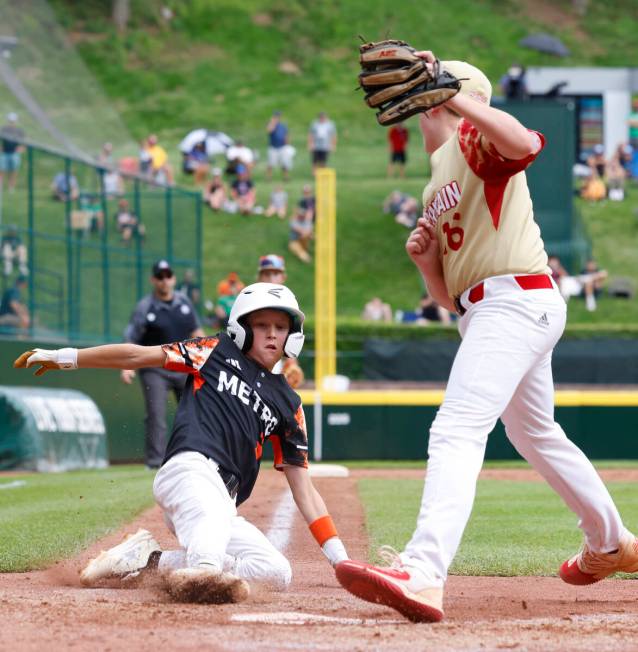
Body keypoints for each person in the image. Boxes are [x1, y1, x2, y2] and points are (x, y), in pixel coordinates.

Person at [335, 52, 638, 623]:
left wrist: (454, 99)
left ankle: (423, 574)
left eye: (428, 99)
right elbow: (452, 300)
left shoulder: (473, 139)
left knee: (456, 427)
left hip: (515, 302)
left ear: (454, 100)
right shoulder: (435, 182)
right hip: (492, 309)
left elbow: (525, 145)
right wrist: (427, 268)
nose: (416, 109)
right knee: (535, 433)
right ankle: (611, 542)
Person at [14, 283, 349, 603]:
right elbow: (136, 355)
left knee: (275, 572)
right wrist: (64, 357)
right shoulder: (215, 351)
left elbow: (305, 491)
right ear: (243, 328)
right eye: (262, 325)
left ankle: (147, 560)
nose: (273, 333)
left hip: (223, 501)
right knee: (207, 565)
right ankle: (203, 573)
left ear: (293, 336)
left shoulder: (288, 403)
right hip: (189, 471)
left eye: (280, 326)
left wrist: (340, 559)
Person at [121, 260, 204, 469]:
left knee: (193, 411)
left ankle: (195, 456)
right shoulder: (145, 307)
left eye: (168, 276)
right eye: (160, 276)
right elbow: (131, 338)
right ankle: (155, 462)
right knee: (156, 414)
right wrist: (127, 366)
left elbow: (197, 333)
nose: (164, 280)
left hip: (183, 366)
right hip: (154, 368)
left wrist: (207, 360)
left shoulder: (184, 304)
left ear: (173, 279)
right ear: (153, 280)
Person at [0, 112, 25, 193]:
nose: (12, 123)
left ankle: (11, 188)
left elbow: (24, 144)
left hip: (14, 153)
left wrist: (21, 148)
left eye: (13, 121)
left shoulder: (19, 131)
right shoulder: (4, 129)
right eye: (10, 121)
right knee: (2, 170)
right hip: (4, 153)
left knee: (13, 171)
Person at [266, 111, 293, 180]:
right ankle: (269, 177)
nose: (277, 118)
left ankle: (286, 177)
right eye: (276, 117)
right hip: (273, 147)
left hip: (282, 147)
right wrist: (273, 122)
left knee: (285, 163)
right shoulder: (271, 124)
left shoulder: (283, 125)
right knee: (271, 163)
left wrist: (288, 142)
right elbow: (269, 130)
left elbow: (286, 135)